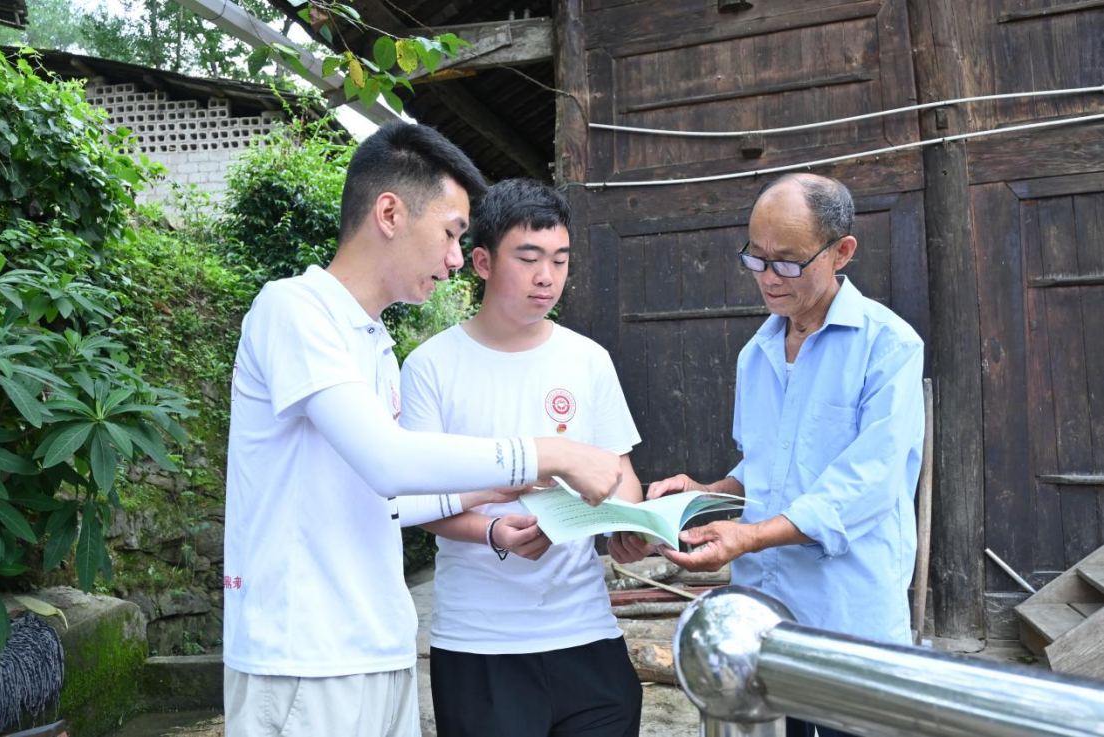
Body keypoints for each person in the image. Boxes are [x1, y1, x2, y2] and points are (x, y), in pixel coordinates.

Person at [222, 123, 624, 737]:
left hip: (380, 647)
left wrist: (494, 498)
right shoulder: (294, 309)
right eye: (451, 232)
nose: (457, 258)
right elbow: (390, 462)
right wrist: (552, 454)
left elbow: (393, 502)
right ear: (389, 213)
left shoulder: (374, 343)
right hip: (305, 656)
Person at [648, 173, 924, 737]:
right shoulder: (758, 353)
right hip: (764, 613)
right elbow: (766, 467)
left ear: (841, 252)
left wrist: (748, 537)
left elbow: (865, 485)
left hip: (847, 612)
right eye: (756, 257)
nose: (769, 277)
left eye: (789, 262)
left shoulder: (888, 346)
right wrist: (708, 493)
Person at [398, 179, 647, 736]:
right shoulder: (431, 367)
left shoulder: (588, 359)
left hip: (587, 632)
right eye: (529, 259)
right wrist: (492, 533)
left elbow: (621, 473)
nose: (546, 277)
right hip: (481, 643)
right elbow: (414, 498)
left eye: (560, 260)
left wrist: (626, 525)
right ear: (483, 262)